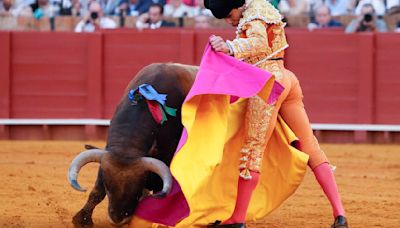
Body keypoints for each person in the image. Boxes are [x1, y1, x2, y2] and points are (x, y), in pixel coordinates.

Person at [205, 0, 348, 227]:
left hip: (268, 84)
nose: (229, 20)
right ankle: (340, 214)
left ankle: (237, 219)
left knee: (252, 151)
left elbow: (259, 43)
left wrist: (230, 47)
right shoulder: (261, 6)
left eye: (229, 15)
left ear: (236, 5)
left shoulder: (253, 15)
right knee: (310, 146)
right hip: (286, 77)